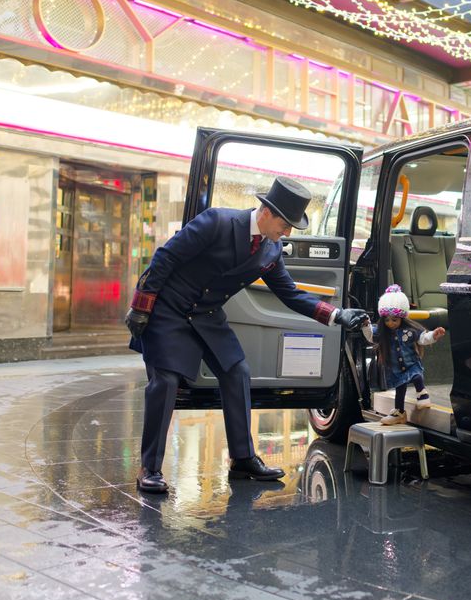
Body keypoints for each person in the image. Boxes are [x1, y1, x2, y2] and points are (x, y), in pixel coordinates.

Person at [124, 177, 368, 493]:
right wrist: (142, 306)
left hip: (206, 314)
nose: (288, 232)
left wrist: (337, 315)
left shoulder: (271, 249)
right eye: (286, 223)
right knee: (166, 380)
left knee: (237, 371)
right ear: (266, 211)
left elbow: (291, 294)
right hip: (169, 308)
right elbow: (165, 257)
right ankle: (150, 468)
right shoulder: (217, 221)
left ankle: (242, 460)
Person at [361, 285, 445, 425]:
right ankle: (399, 412)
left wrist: (434, 335)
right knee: (400, 389)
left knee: (416, 376)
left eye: (394, 319)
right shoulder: (382, 332)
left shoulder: (410, 330)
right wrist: (365, 326)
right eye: (387, 320)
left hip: (411, 363)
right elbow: (370, 336)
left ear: (402, 318)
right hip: (396, 369)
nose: (390, 323)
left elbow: (423, 338)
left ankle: (422, 394)